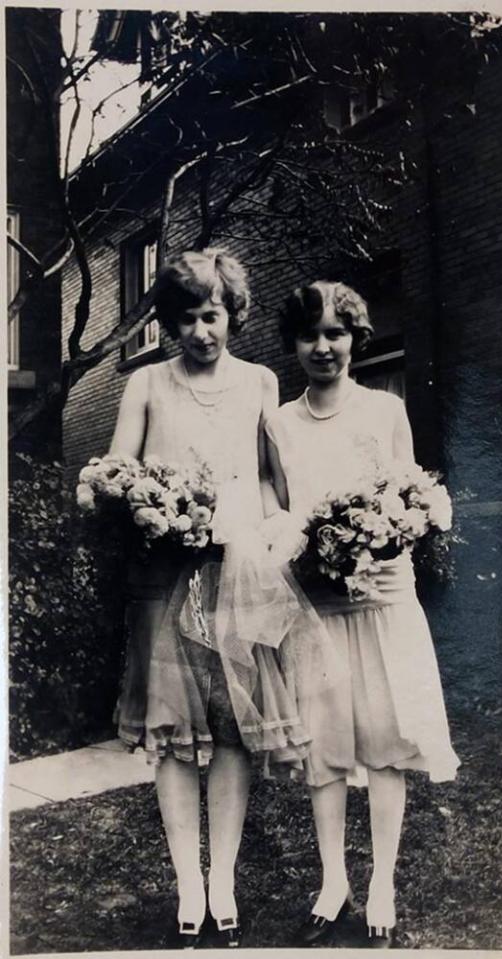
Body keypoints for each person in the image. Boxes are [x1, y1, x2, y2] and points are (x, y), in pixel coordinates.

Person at [109, 248, 311, 948]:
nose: (201, 331)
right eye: (188, 317)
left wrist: (262, 529)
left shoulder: (260, 381)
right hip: (163, 576)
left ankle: (220, 875)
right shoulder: (145, 385)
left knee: (232, 730)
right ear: (170, 321)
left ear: (234, 315)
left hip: (237, 573)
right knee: (171, 735)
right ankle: (186, 885)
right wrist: (151, 502)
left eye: (213, 315)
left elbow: (266, 479)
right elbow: (119, 471)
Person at [265, 280, 460, 948]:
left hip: (381, 595)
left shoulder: (384, 410)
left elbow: (411, 495)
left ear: (356, 337)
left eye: (336, 332)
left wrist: (389, 531)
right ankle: (333, 880)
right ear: (294, 343)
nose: (324, 346)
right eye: (311, 334)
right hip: (318, 603)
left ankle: (380, 880)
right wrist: (297, 540)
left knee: (384, 739)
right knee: (323, 746)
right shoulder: (280, 423)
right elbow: (281, 510)